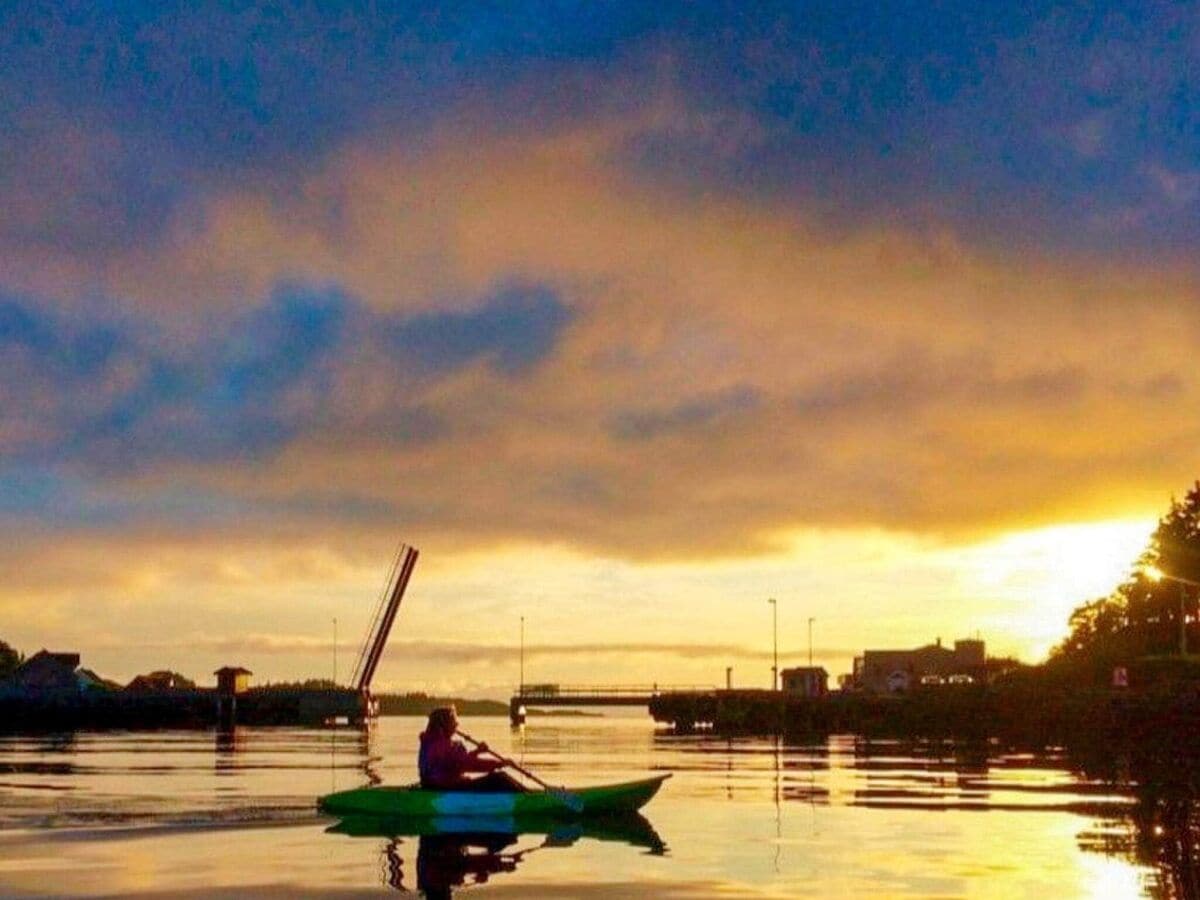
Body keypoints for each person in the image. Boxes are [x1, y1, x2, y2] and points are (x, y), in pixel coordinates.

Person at [418, 706, 526, 792]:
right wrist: (500, 764)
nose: (457, 724)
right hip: (445, 789)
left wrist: (477, 752)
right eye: (453, 722)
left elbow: (455, 763)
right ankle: (527, 798)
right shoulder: (441, 745)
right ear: (443, 726)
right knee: (499, 779)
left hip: (439, 786)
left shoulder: (431, 741)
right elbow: (466, 764)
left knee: (496, 779)